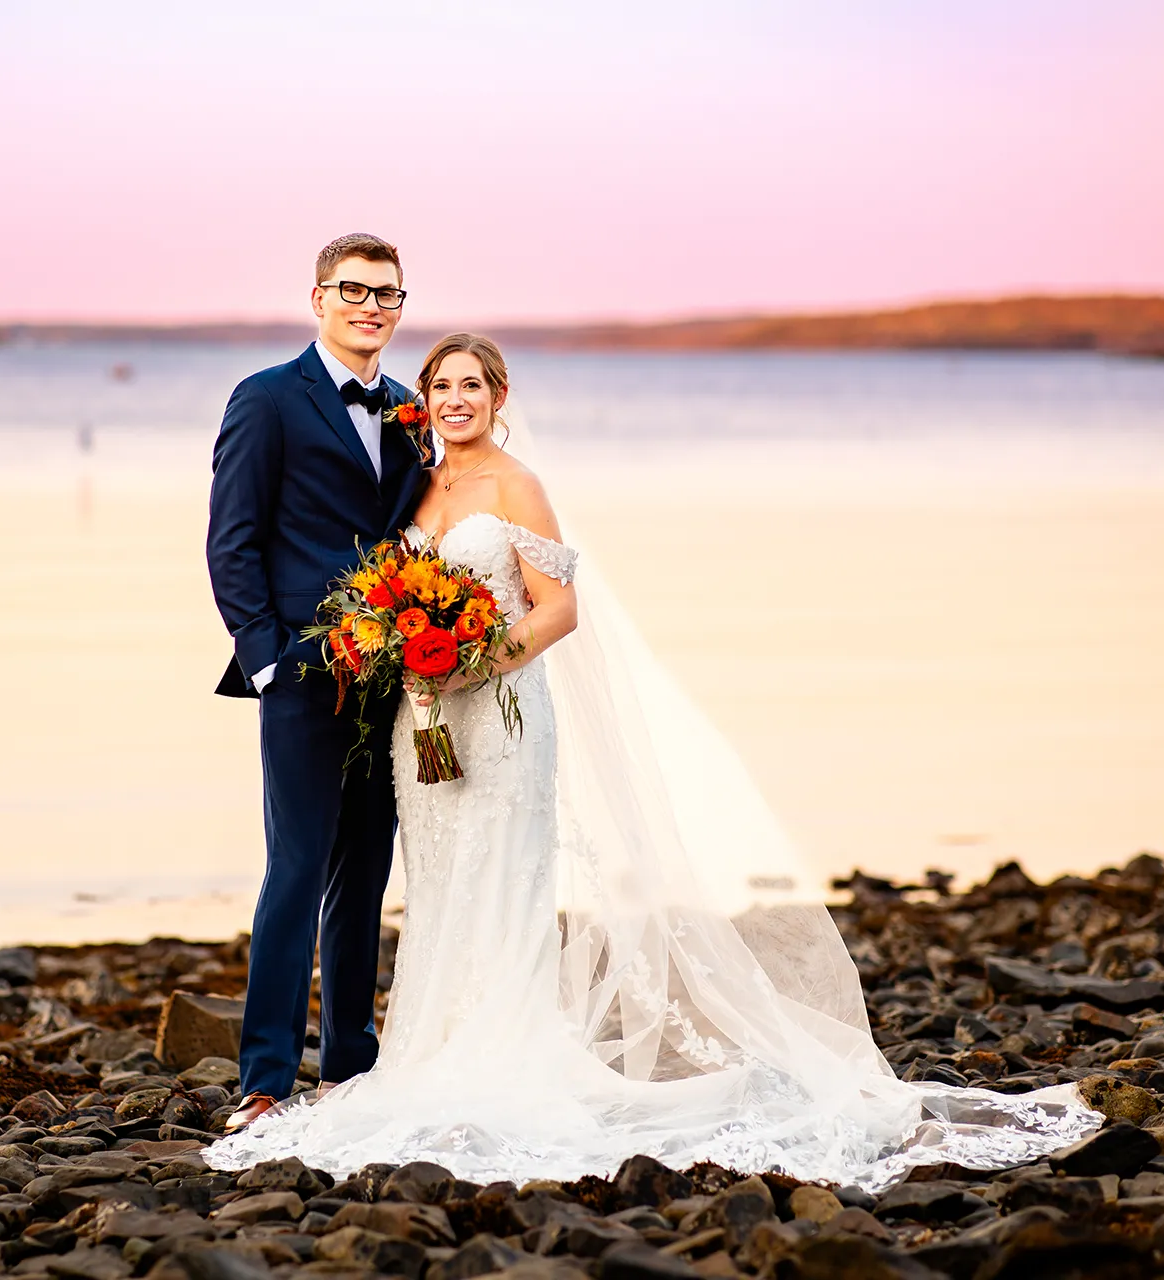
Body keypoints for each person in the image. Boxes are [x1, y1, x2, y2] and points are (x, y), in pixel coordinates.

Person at [206, 333, 1102, 1192]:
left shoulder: (518, 484)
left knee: (493, 881)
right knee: (427, 883)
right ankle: (391, 1059)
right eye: (441, 389)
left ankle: (489, 1055)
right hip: (413, 718)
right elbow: (287, 545)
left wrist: (473, 660)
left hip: (498, 717)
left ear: (499, 396)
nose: (450, 401)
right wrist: (310, 654)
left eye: (469, 387)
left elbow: (558, 609)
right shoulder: (414, 467)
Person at [205, 233, 427, 1134]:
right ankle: (264, 1079)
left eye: (387, 294)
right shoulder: (266, 398)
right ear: (318, 297)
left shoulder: (414, 410)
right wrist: (267, 660)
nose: (371, 306)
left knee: (365, 874)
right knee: (294, 870)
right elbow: (232, 539)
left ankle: (349, 1066)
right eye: (354, 290)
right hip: (300, 673)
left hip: (394, 678)